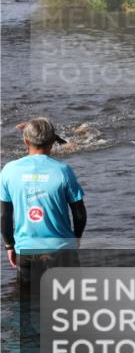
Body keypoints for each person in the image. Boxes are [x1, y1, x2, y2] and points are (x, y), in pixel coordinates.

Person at [1, 118, 87, 283]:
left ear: (26, 141)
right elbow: (79, 213)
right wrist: (76, 239)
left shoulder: (8, 171)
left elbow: (4, 215)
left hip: (27, 252)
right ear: (53, 142)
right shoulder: (63, 171)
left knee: (29, 304)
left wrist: (9, 245)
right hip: (62, 250)